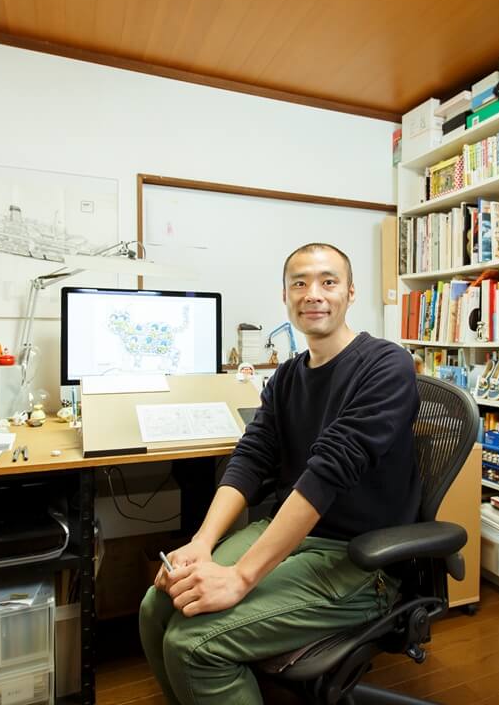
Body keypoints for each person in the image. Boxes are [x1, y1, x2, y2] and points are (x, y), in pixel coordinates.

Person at [139, 243, 420, 704]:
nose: (313, 294)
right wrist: (202, 542)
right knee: (158, 606)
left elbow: (327, 474)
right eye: (299, 283)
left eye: (328, 282)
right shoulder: (287, 376)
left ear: (351, 292)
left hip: (359, 560)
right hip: (290, 535)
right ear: (285, 296)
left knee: (194, 646)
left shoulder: (386, 364)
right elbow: (251, 457)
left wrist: (241, 577)